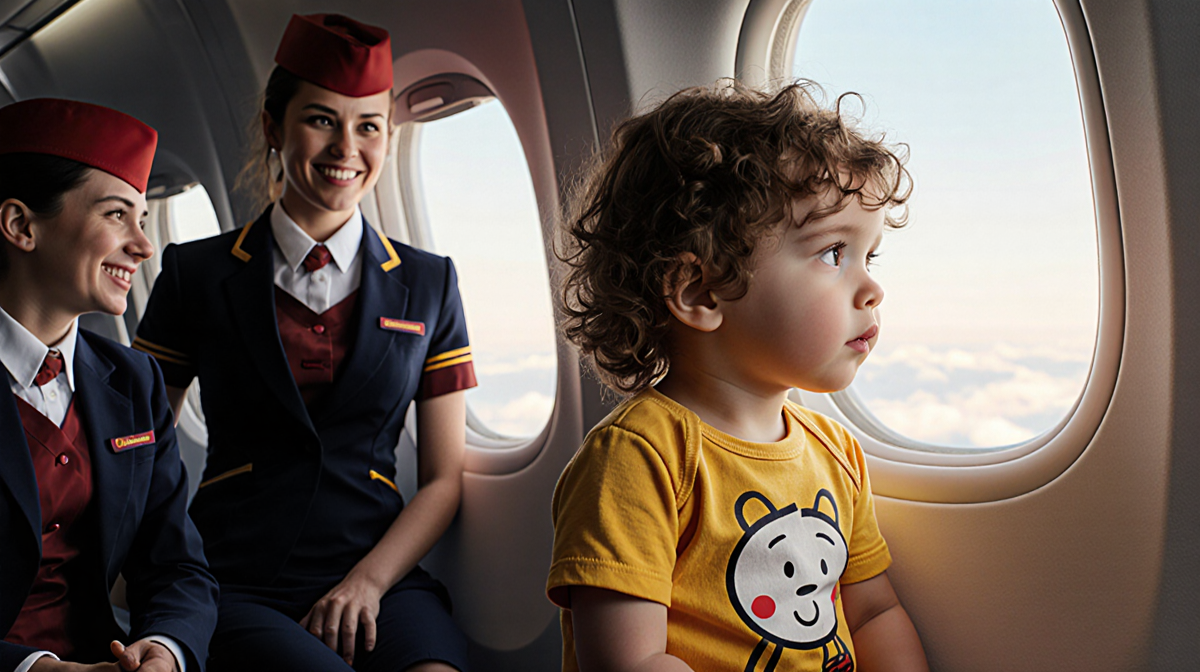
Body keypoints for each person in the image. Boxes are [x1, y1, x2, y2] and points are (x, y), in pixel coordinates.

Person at [548, 80, 930, 672]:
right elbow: (633, 661)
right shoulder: (638, 459)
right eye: (834, 253)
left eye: (869, 256)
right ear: (701, 292)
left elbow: (874, 612)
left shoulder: (836, 452)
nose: (872, 288)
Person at [133, 13, 473, 672]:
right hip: (232, 574)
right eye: (321, 120)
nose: (347, 147)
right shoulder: (196, 274)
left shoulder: (429, 283)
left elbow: (443, 480)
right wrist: (150, 574)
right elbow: (143, 449)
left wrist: (368, 582)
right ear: (273, 127)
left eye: (368, 126)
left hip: (377, 570)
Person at [0, 99, 218, 672]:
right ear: (22, 226)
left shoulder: (135, 380)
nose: (144, 246)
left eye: (143, 220)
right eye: (117, 215)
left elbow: (177, 566)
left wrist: (166, 648)